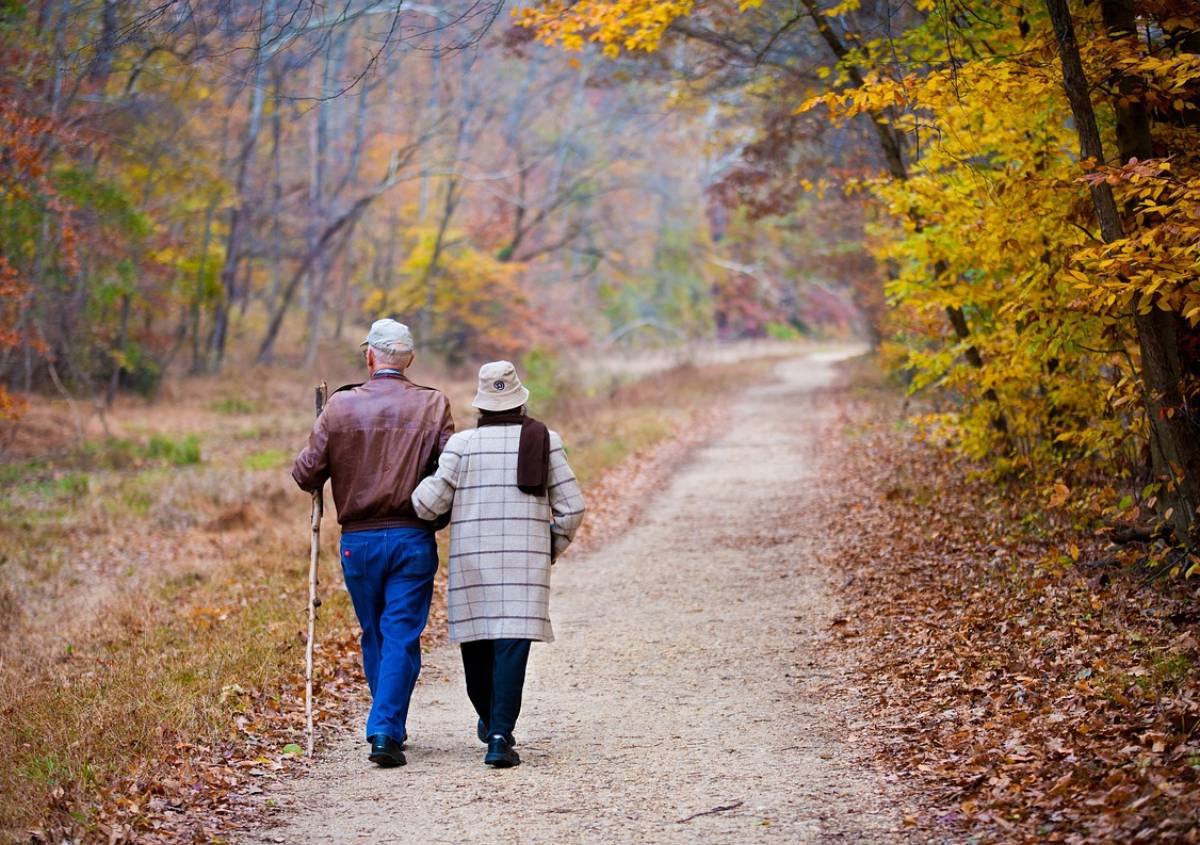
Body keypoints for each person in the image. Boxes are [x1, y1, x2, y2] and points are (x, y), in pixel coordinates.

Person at [292, 318, 453, 768]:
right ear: (410, 359)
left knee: (378, 632)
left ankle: (385, 726)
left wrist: (324, 430)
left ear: (369, 357)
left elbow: (305, 474)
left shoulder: (340, 406)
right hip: (412, 535)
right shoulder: (433, 404)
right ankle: (387, 726)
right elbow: (451, 468)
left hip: (358, 542)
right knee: (400, 632)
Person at [412, 360, 585, 768]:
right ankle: (499, 735)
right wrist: (549, 548)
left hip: (473, 562)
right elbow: (572, 508)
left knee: (478, 647)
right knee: (512, 647)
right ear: (520, 400)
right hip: (525, 566)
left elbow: (426, 506)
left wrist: (421, 479)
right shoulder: (546, 441)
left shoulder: (461, 446)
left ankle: (491, 722)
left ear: (481, 406)